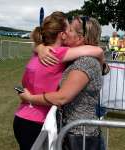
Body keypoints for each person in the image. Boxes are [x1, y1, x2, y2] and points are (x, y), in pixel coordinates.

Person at [13, 12, 104, 150]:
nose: (67, 33)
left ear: (80, 38)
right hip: (60, 128)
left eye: (71, 30)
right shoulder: (64, 55)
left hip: (79, 134)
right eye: (67, 29)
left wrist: (30, 98)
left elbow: (62, 97)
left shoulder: (84, 61)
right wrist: (40, 47)